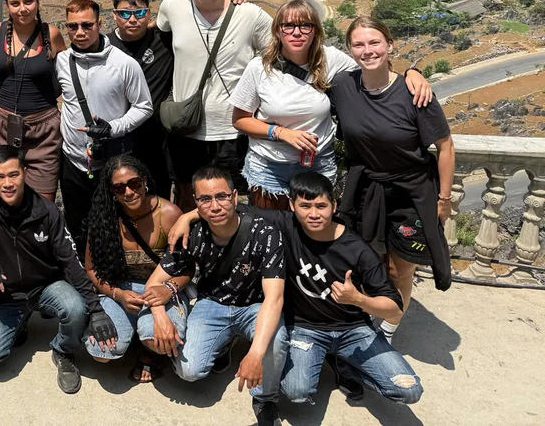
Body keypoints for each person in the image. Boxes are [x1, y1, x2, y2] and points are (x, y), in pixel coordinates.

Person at [173, 171, 422, 408]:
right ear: (292, 206)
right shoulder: (284, 224)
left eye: (321, 206)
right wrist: (187, 217)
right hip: (305, 329)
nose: (313, 214)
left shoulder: (358, 249)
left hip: (353, 329)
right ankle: (334, 360)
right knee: (296, 394)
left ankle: (347, 363)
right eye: (305, 206)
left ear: (334, 206)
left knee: (408, 391)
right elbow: (227, 207)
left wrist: (357, 299)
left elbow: (395, 310)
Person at [231, 0, 434, 208]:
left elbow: (376, 70)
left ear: (315, 30)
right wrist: (281, 133)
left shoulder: (330, 59)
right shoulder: (259, 67)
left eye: (305, 26)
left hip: (317, 163)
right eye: (288, 26)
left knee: (314, 231)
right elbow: (240, 120)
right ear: (278, 31)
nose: (297, 32)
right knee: (271, 231)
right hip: (269, 166)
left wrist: (412, 73)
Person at [334, 15, 455, 338]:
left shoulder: (415, 93)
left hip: (411, 192)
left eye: (375, 42)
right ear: (349, 49)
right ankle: (364, 314)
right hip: (367, 190)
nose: (367, 50)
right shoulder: (343, 86)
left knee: (399, 268)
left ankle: (388, 327)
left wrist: (444, 199)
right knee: (365, 260)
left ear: (390, 45)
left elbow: (445, 146)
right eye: (358, 44)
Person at [0, 145, 117, 395]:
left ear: (25, 172)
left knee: (75, 308)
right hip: (7, 294)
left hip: (46, 285)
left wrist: (96, 309)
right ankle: (21, 323)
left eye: (13, 174)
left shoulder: (46, 211)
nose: (8, 183)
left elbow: (71, 260)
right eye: (0, 176)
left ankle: (63, 351)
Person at [146, 166, 287, 426]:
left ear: (235, 197)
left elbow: (274, 299)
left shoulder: (266, 234)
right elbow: (154, 281)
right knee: (189, 372)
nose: (215, 206)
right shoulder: (192, 234)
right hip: (212, 303)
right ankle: (224, 343)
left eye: (221, 196)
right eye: (205, 199)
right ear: (196, 203)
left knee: (275, 342)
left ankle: (266, 398)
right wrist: (159, 316)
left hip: (254, 305)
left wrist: (255, 355)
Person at [156, 0, 273, 208]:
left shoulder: (250, 14)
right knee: (187, 196)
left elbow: (274, 57)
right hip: (185, 126)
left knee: (235, 199)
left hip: (233, 128)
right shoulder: (171, 6)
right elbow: (157, 37)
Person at [108, 0, 248, 202]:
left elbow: (195, 15)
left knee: (160, 196)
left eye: (139, 13)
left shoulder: (164, 39)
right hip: (118, 137)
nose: (132, 19)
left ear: (149, 13)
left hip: (159, 138)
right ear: (114, 15)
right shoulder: (105, 46)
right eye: (125, 13)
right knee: (119, 195)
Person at [55, 0, 153, 254]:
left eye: (87, 25)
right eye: (72, 26)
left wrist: (113, 128)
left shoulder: (124, 64)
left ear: (100, 24)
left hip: (112, 162)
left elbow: (144, 106)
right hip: (73, 162)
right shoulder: (62, 61)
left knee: (115, 222)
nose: (79, 32)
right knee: (78, 223)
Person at [82, 154, 188, 383]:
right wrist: (117, 294)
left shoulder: (169, 214)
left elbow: (188, 268)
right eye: (119, 188)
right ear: (112, 192)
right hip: (122, 289)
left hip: (163, 290)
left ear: (144, 180)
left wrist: (167, 290)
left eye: (134, 184)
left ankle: (148, 350)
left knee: (157, 341)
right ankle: (134, 333)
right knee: (102, 353)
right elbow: (90, 269)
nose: (129, 192)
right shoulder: (104, 218)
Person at [0, 0, 67, 198]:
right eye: (15, 3)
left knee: (43, 200)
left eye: (28, 1)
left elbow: (65, 76)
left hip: (43, 131)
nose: (22, 9)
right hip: (0, 126)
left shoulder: (52, 35)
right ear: (7, 5)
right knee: (3, 195)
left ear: (38, 2)